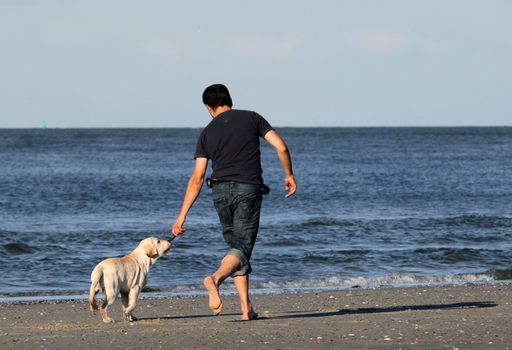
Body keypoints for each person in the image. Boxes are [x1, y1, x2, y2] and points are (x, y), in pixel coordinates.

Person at [171, 84, 296, 321]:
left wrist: (182, 216)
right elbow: (281, 146)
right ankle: (215, 279)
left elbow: (197, 178)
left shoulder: (206, 133)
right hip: (247, 189)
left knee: (236, 249)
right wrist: (288, 175)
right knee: (242, 249)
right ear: (229, 100)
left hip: (219, 191)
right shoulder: (252, 118)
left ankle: (245, 309)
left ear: (208, 107)